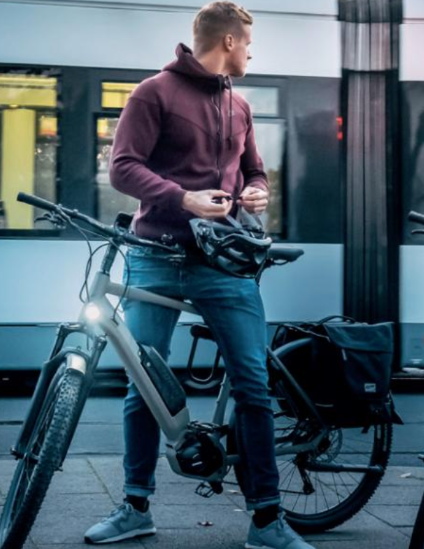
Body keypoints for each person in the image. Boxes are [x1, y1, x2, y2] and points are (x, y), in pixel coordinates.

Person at [83, 3, 314, 548]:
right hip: (156, 257)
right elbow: (122, 166)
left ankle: (267, 520)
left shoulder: (240, 105)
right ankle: (135, 506)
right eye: (249, 43)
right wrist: (181, 197)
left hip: (225, 263)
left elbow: (254, 169)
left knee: (253, 388)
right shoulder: (154, 93)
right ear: (229, 41)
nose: (252, 53)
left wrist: (258, 190)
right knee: (145, 391)